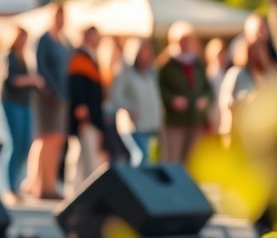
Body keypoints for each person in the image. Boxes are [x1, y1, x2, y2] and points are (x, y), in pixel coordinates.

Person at [23, 2, 71, 200]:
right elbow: (39, 68)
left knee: (57, 141)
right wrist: (51, 93)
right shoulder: (42, 40)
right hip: (46, 98)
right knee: (43, 140)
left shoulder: (63, 41)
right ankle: (37, 184)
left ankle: (50, 185)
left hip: (62, 98)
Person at [157, 21, 213, 164]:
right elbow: (159, 89)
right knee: (173, 159)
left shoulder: (197, 64)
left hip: (194, 119)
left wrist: (205, 100)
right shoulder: (166, 65)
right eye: (182, 41)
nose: (186, 44)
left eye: (188, 40)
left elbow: (208, 89)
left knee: (192, 161)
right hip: (174, 121)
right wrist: (172, 100)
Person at [0, 26, 43, 201]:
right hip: (11, 102)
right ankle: (8, 187)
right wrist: (31, 80)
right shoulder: (9, 56)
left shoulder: (24, 57)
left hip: (24, 103)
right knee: (14, 143)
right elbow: (10, 80)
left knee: (24, 143)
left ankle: (15, 184)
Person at [111, 37, 163, 166]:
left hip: (151, 124)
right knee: (140, 156)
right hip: (133, 125)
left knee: (152, 160)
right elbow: (115, 96)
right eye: (144, 50)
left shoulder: (151, 73)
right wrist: (130, 108)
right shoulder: (125, 73)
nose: (147, 53)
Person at [67, 24, 106, 187]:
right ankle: (76, 188)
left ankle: (81, 188)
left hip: (93, 114)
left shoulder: (92, 58)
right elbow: (77, 85)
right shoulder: (79, 58)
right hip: (85, 115)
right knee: (82, 154)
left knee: (86, 154)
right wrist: (81, 109)